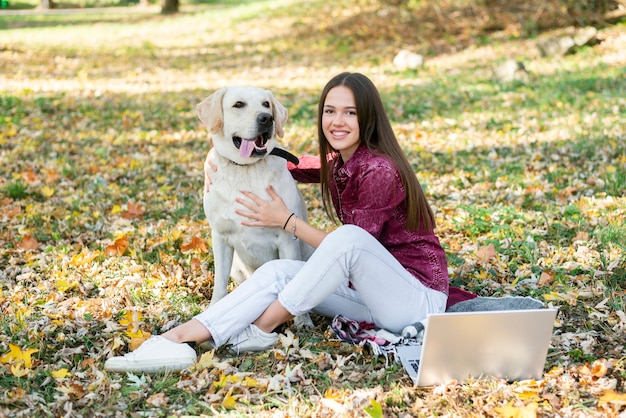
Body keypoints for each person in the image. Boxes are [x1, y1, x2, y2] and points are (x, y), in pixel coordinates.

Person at [104, 72, 450, 373]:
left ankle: (261, 328)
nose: (337, 121)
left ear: (369, 118)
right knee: (277, 272)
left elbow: (354, 248)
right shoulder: (343, 160)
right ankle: (174, 340)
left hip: (415, 299)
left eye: (350, 112)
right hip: (370, 297)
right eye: (329, 111)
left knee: (348, 238)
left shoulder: (378, 169)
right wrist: (217, 158)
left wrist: (286, 221)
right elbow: (294, 163)